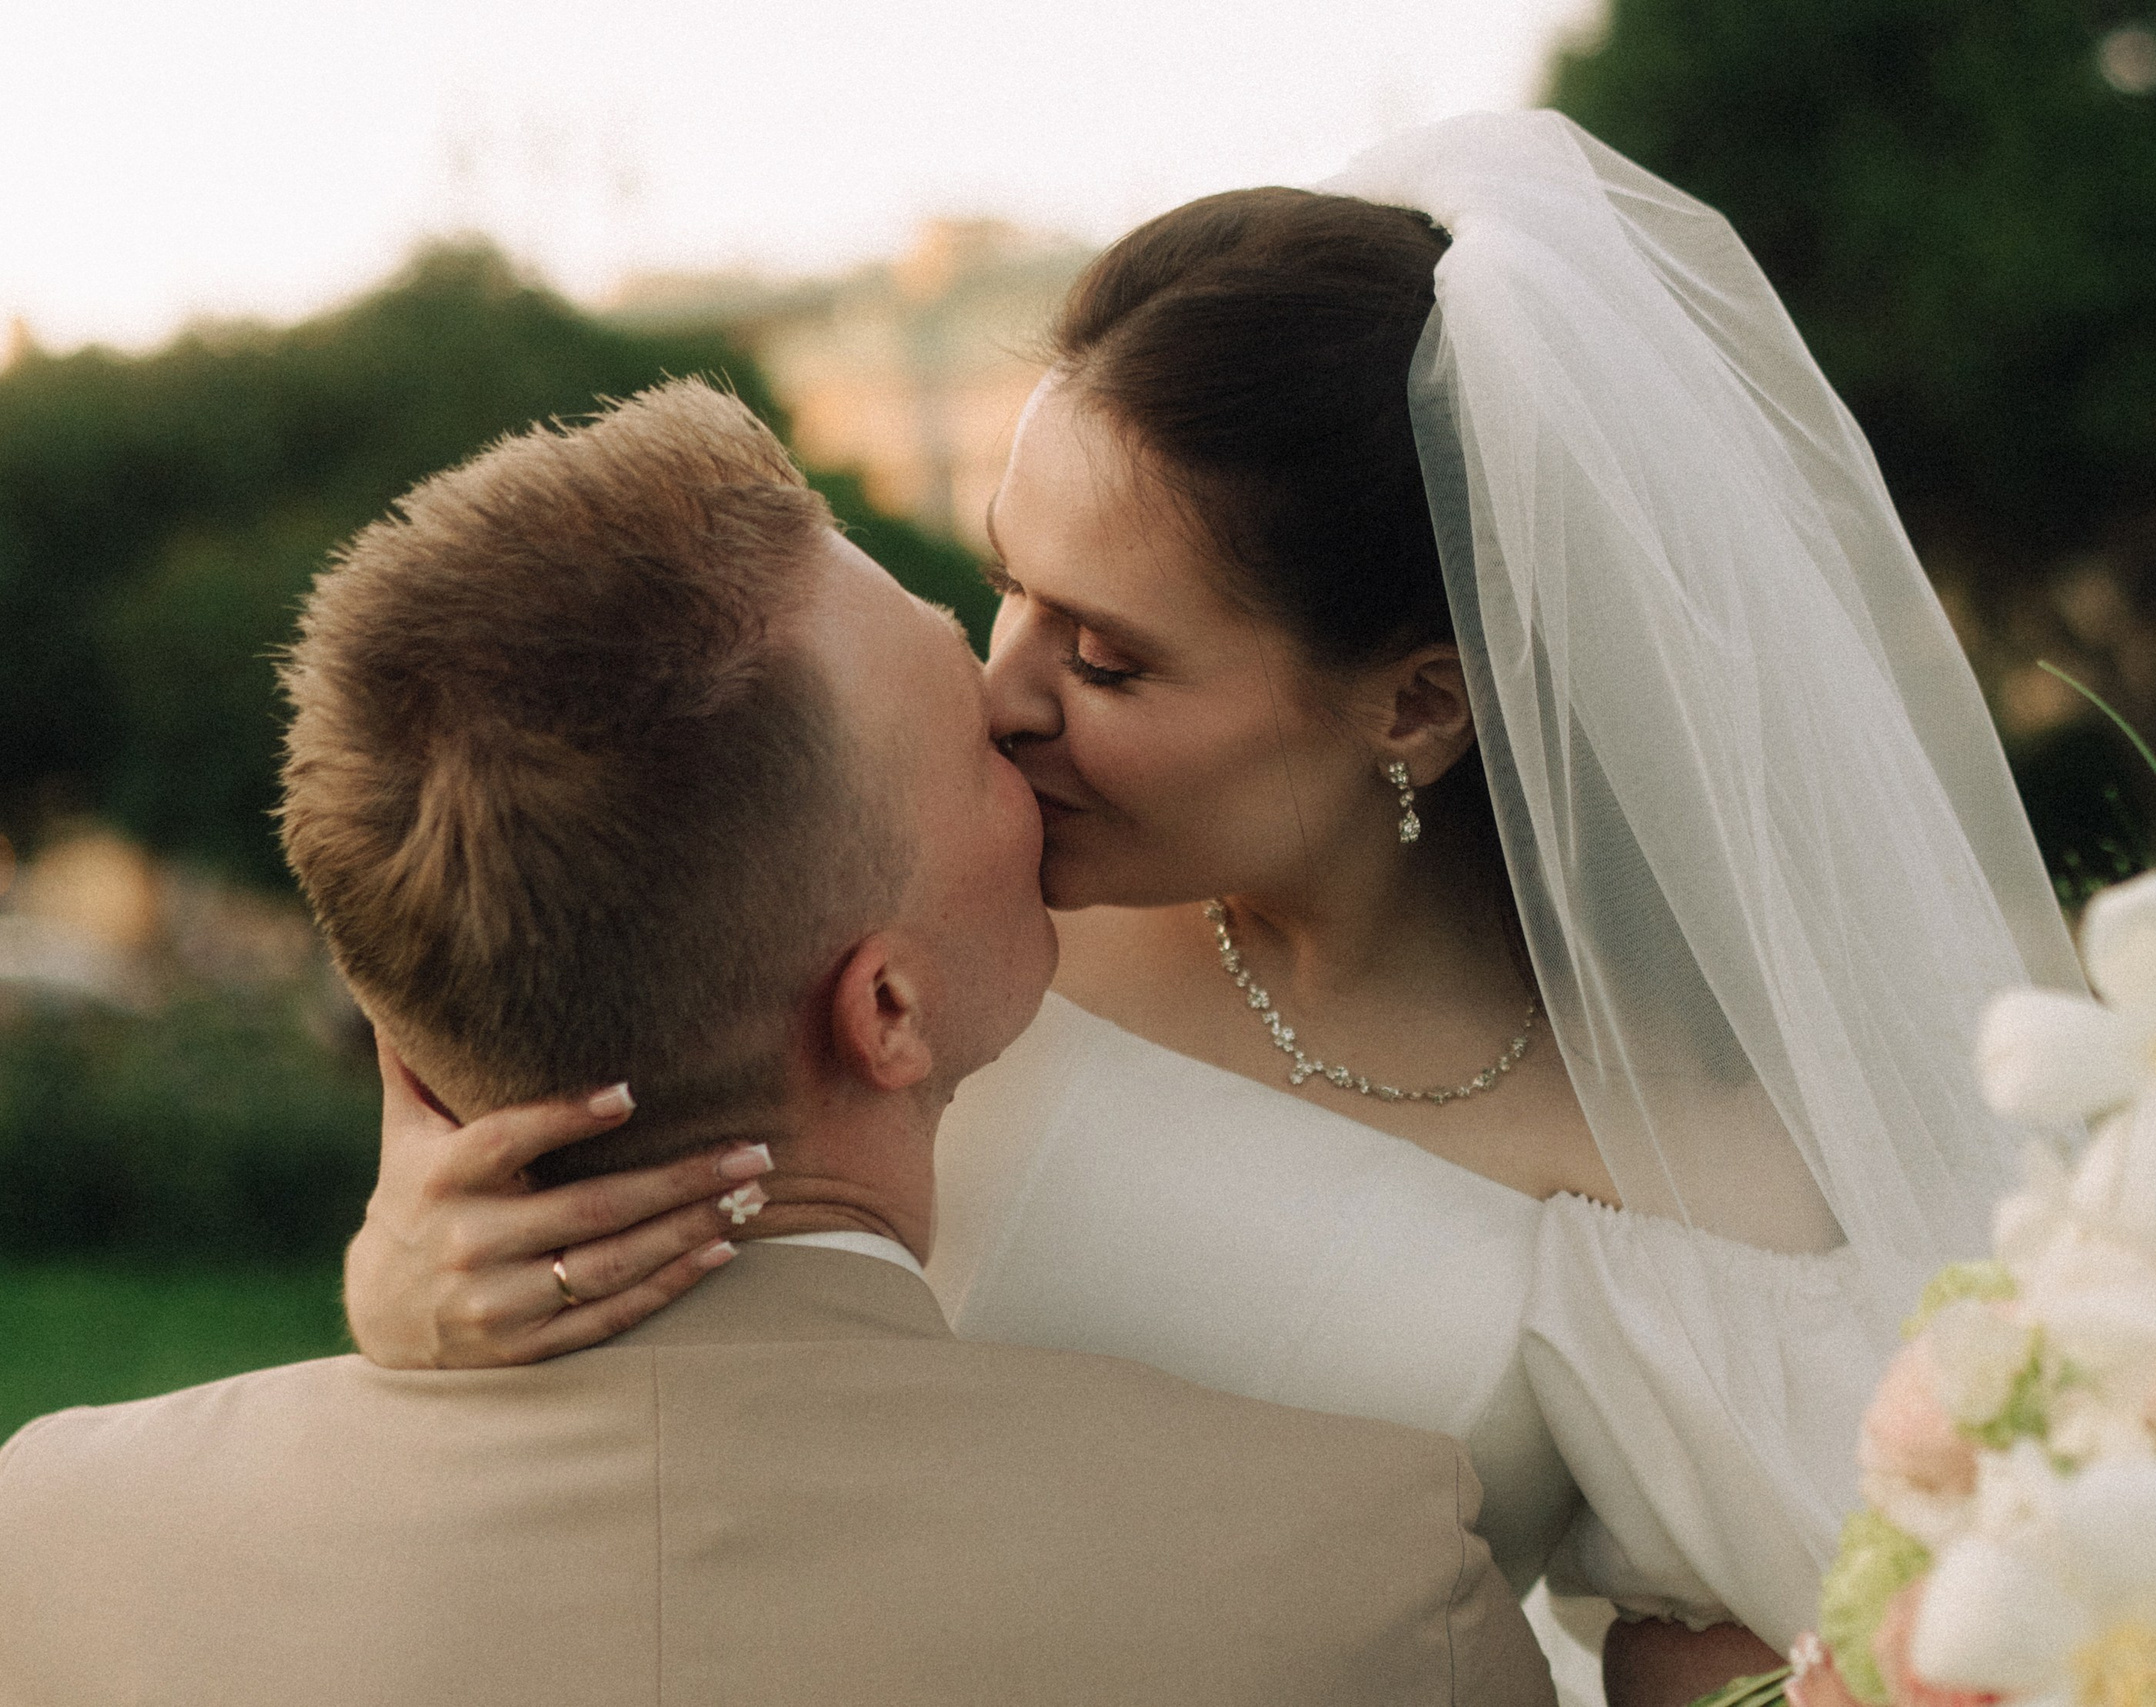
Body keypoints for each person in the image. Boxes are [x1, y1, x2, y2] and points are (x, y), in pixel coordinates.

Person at [336, 114, 2088, 1707]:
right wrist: (407, 1296)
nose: (1000, 693)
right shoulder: (927, 914)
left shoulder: (1708, 1163)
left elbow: (1778, 1632)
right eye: (1005, 584)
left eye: (1105, 655)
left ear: (1414, 704)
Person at [0, 381, 1555, 1707]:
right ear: (884, 1011)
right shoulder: (1364, 1588)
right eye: (972, 738)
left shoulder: (50, 1546)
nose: (1032, 728)